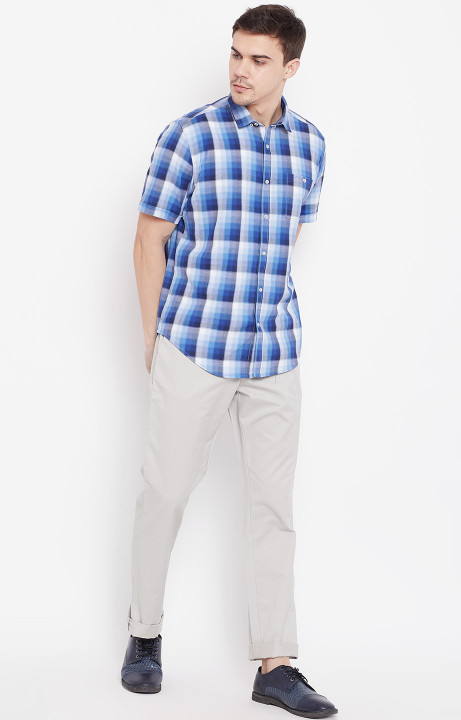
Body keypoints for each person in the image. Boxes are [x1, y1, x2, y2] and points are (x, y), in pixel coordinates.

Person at [120, 4, 337, 716]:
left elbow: (284, 240)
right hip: (194, 342)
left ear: (291, 67)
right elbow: (149, 238)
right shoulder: (190, 135)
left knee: (273, 508)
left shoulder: (311, 145)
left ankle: (276, 665)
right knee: (166, 492)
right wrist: (153, 336)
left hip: (274, 350)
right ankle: (144, 636)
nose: (241, 70)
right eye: (236, 54)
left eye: (259, 59)